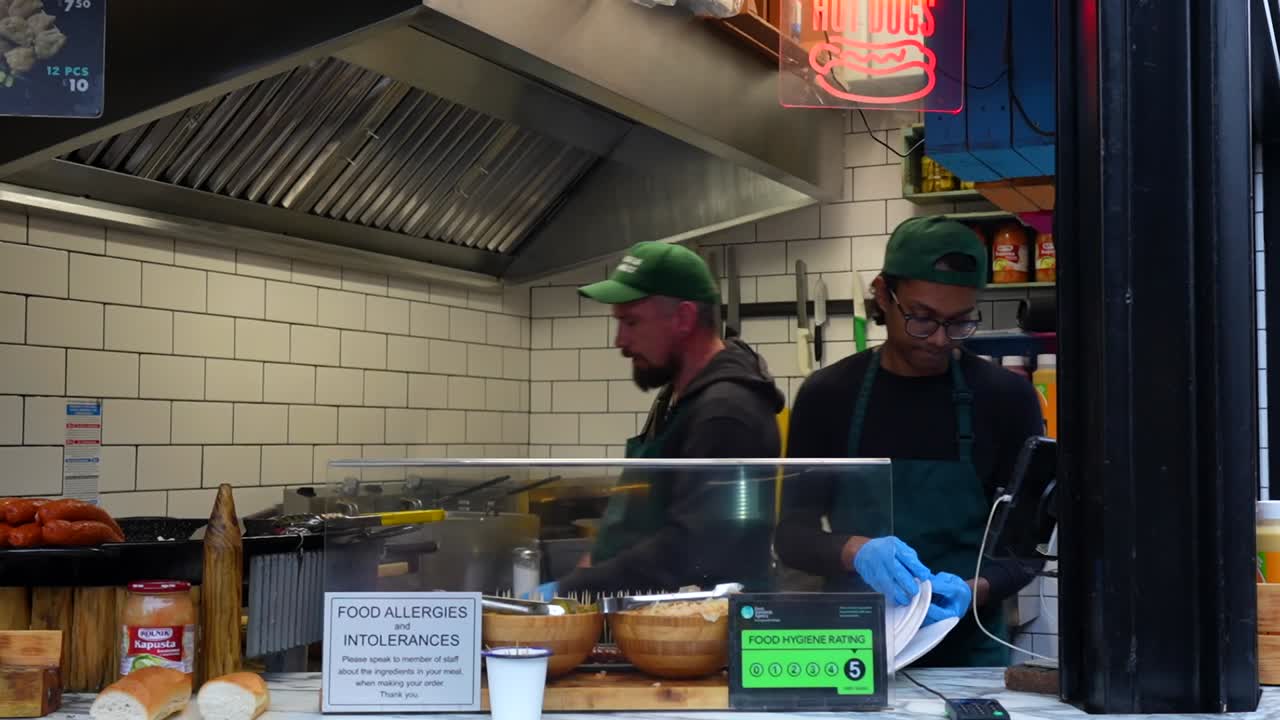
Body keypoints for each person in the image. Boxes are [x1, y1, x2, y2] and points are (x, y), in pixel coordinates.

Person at [774, 216, 1043, 667]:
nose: (939, 339)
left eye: (959, 323)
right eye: (922, 318)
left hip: (969, 658)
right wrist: (856, 551)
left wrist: (972, 591)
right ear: (883, 294)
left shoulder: (1007, 398)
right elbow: (792, 537)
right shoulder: (827, 396)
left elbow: (1026, 550)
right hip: (852, 655)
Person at [541, 241, 786, 596]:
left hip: (708, 627)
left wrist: (578, 587)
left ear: (684, 318)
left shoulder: (726, 413)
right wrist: (596, 559)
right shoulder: (678, 395)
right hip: (663, 615)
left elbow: (693, 548)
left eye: (631, 322)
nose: (619, 341)